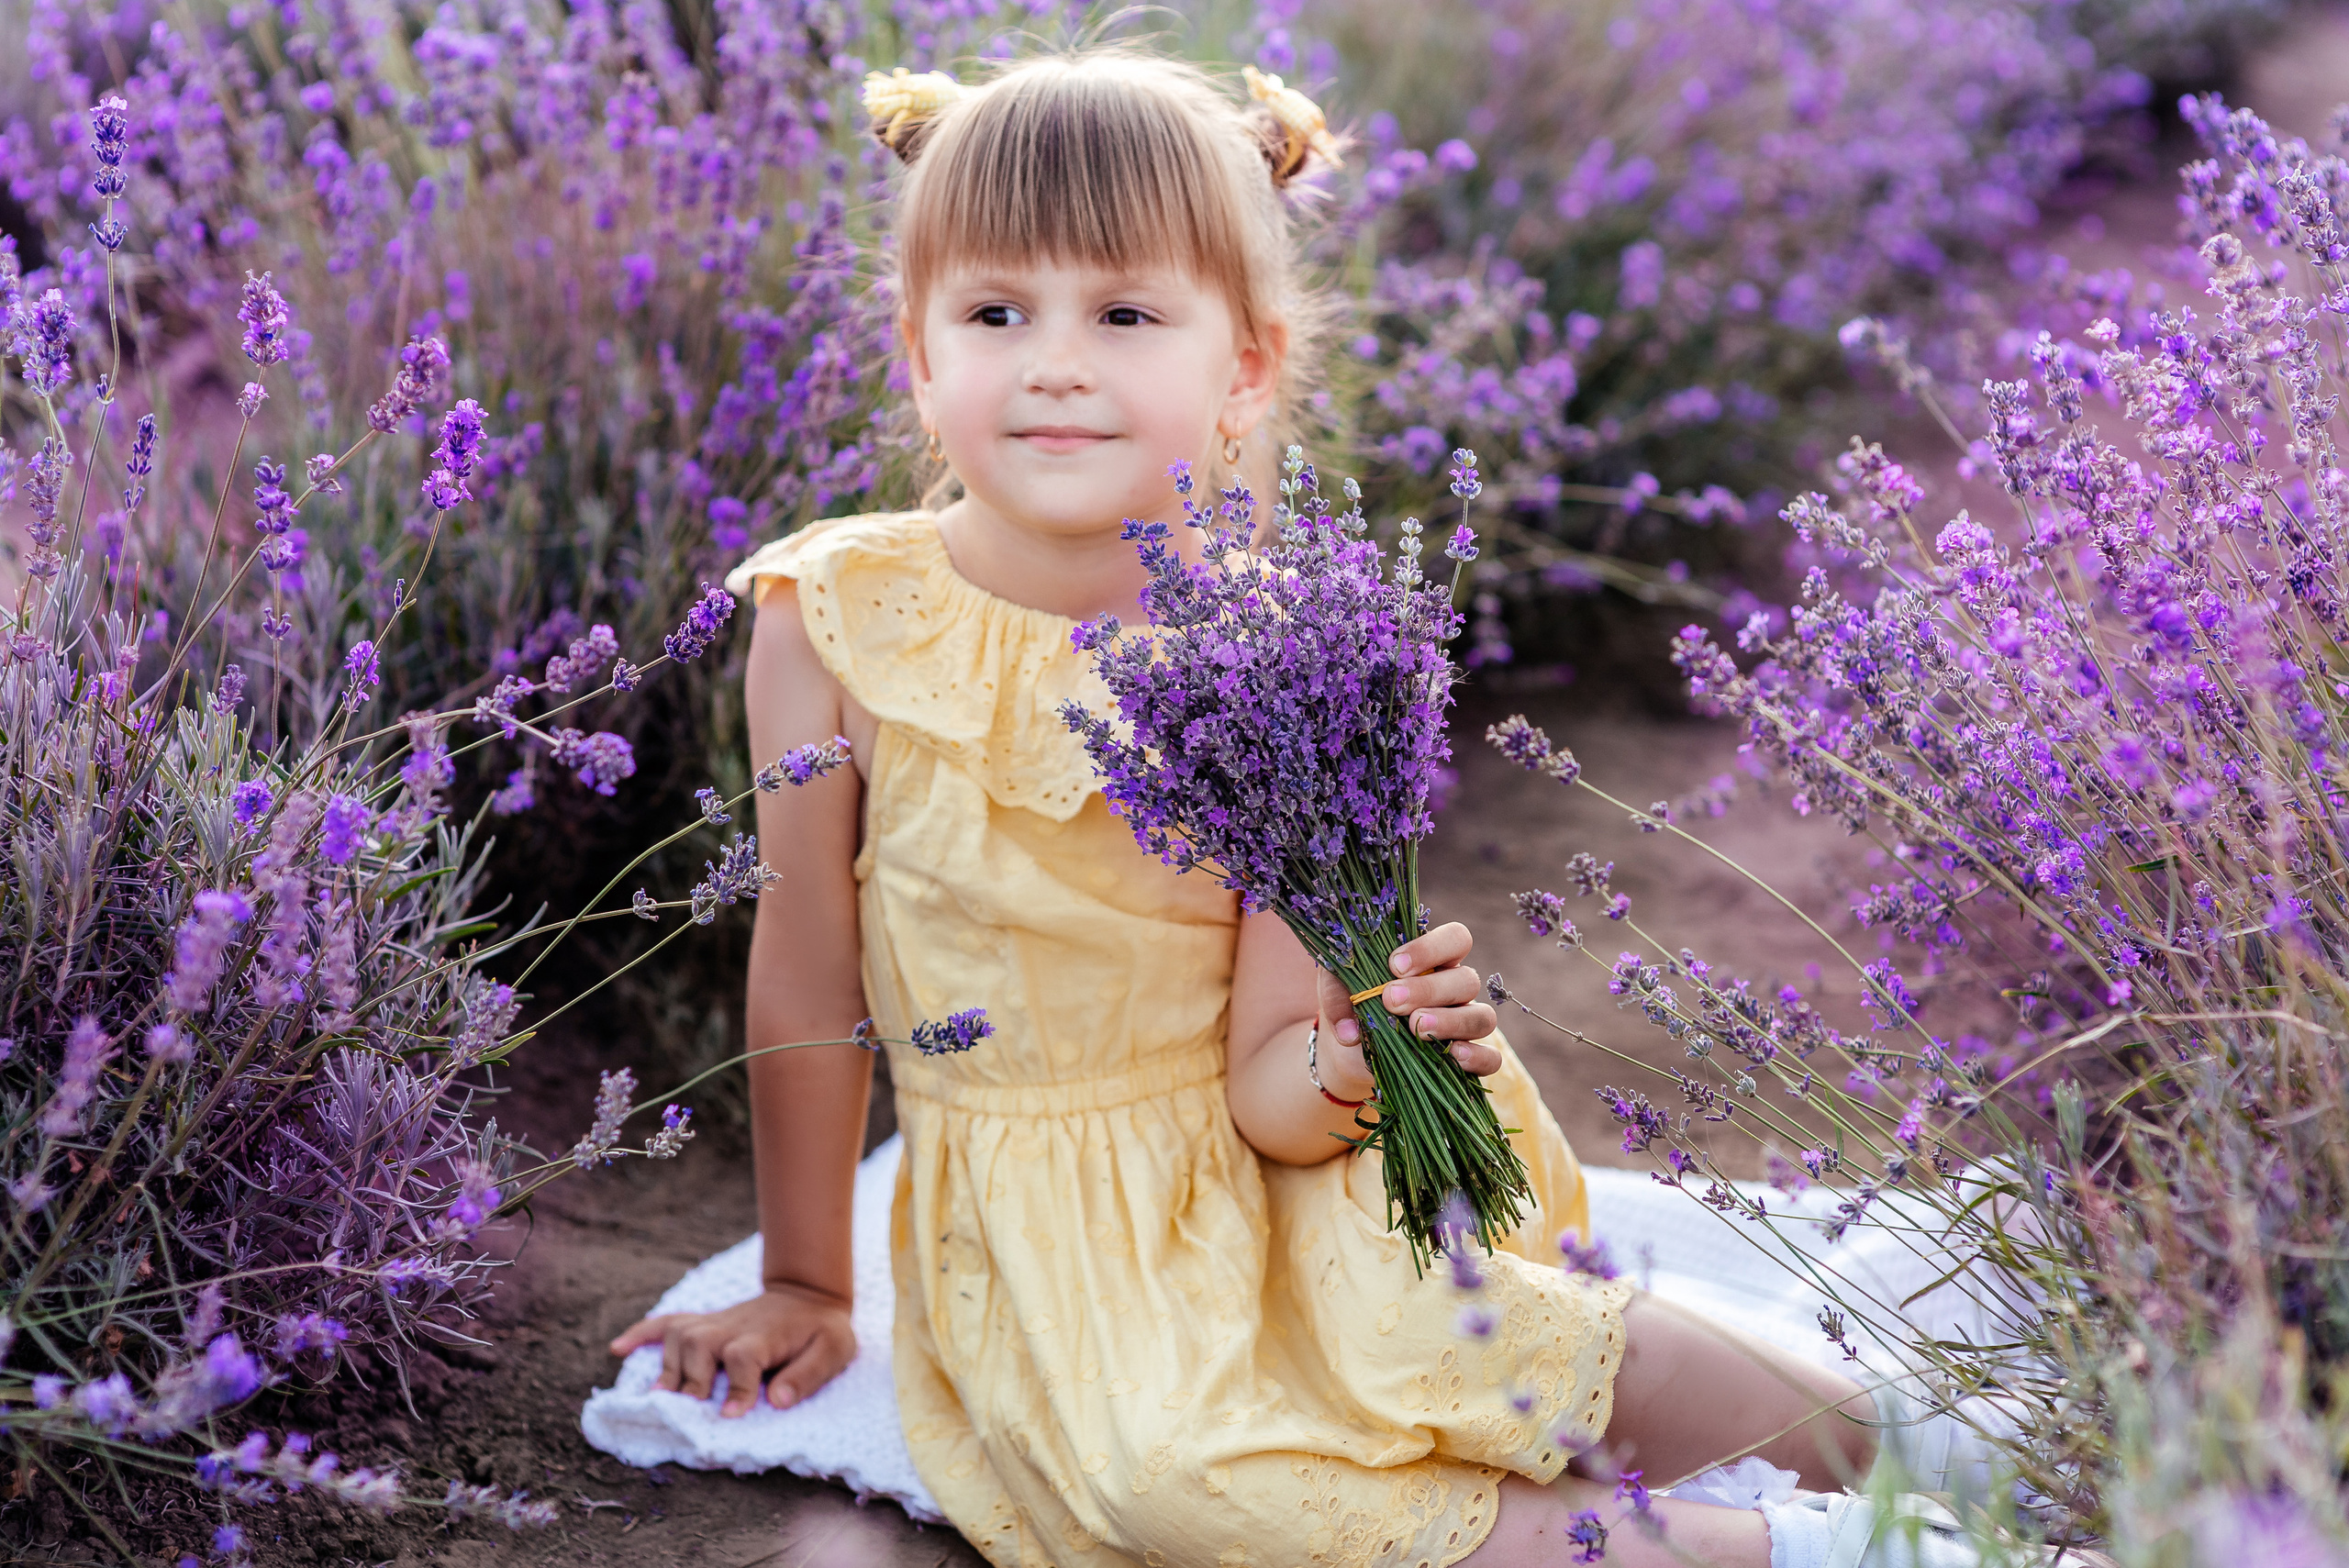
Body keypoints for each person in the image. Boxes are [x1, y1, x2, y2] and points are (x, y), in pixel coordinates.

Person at [607, 49, 2051, 1568]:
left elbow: (1272, 1096)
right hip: (1050, 1213)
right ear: (917, 348)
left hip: (1283, 1157)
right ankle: (1840, 1556)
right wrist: (813, 1285)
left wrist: (1374, 1048)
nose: (1051, 360)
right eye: (993, 313)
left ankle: (1923, 1438)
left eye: (1122, 314)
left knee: (1455, 1331)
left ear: (1241, 367)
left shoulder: (1286, 657)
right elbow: (809, 965)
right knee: (1167, 1482)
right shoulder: (833, 612)